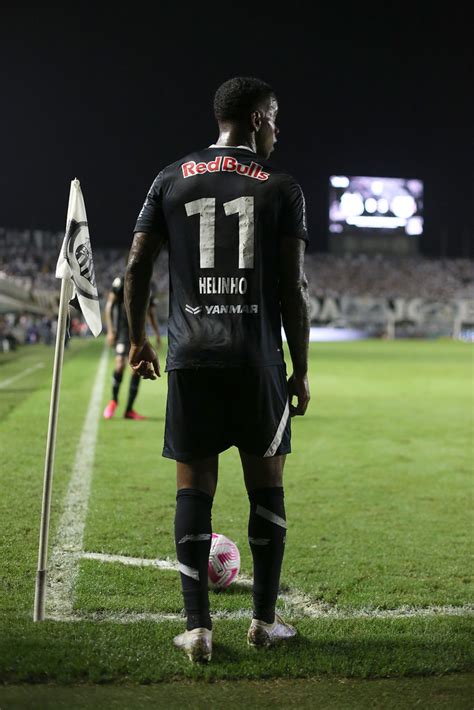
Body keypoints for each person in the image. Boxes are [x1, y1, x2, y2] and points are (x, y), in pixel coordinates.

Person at [125, 76, 310, 663]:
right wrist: (300, 369)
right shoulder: (282, 186)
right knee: (267, 486)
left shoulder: (169, 178)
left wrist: (138, 340)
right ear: (257, 118)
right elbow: (293, 290)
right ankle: (263, 622)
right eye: (276, 117)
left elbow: (135, 268)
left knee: (194, 488)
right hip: (256, 363)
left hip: (192, 357)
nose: (279, 129)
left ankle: (198, 629)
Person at [103, 273, 160, 420]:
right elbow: (109, 306)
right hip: (122, 331)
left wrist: (157, 334)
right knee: (119, 364)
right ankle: (113, 401)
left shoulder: (148, 285)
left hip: (139, 334)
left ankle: (129, 410)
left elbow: (151, 313)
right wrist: (110, 330)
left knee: (136, 369)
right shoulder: (121, 282)